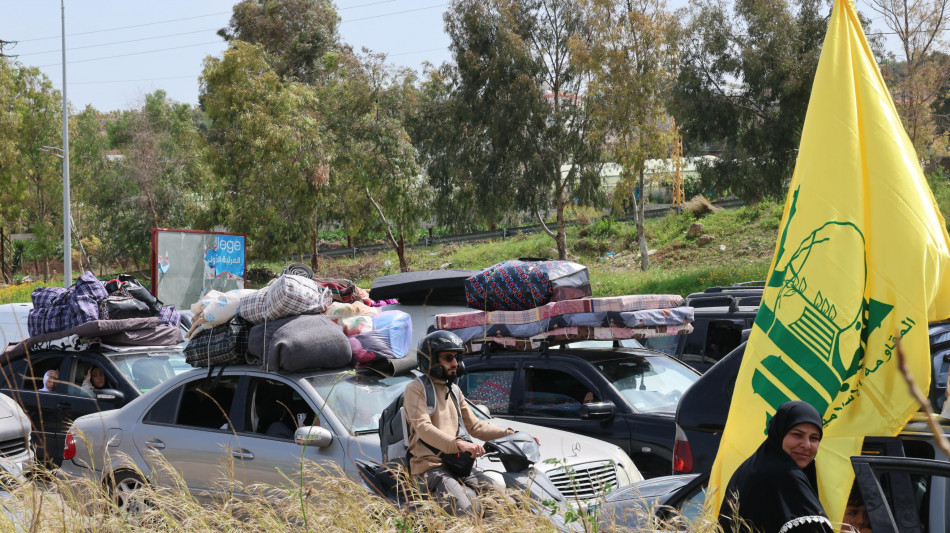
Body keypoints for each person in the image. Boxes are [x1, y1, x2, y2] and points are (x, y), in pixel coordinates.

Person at [404, 330, 517, 516]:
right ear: (430, 360)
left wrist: (510, 434)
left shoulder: (455, 390)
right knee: (466, 510)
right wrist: (459, 444)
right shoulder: (416, 388)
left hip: (458, 464)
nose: (455, 363)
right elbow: (423, 428)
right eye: (448, 357)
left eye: (457, 357)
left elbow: (475, 426)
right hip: (430, 467)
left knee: (506, 504)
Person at [718, 400, 833, 533]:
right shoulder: (784, 474)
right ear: (779, 433)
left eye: (814, 438)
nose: (806, 445)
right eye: (797, 435)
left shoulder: (755, 464)